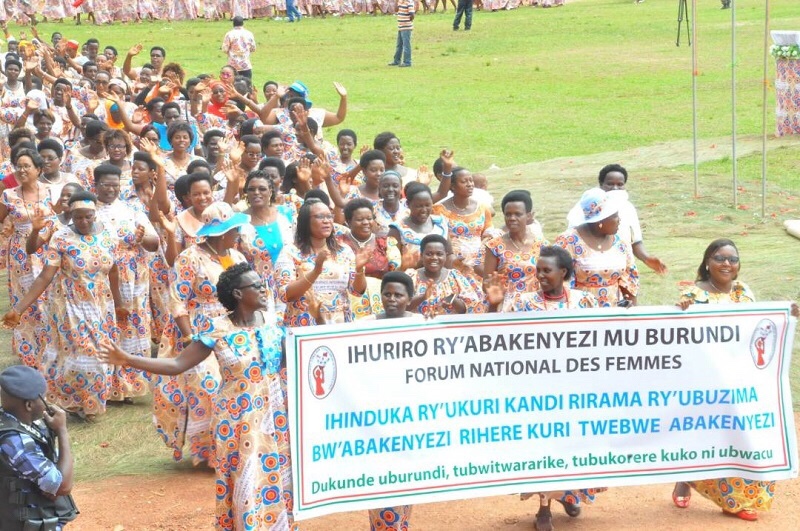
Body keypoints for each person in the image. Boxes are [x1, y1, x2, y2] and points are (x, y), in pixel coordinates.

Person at [99, 263, 293, 530]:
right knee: (245, 480)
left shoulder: (274, 323)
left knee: (273, 477)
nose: (264, 289)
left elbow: (293, 361)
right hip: (236, 421)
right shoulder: (218, 329)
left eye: (263, 284)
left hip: (273, 417)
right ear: (238, 294)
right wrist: (128, 359)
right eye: (257, 286)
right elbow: (177, 364)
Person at [671, 238, 800, 521]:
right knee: (707, 435)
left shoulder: (743, 292)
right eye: (719, 258)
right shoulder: (693, 295)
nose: (726, 263)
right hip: (706, 382)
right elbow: (676, 337)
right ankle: (687, 475)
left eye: (732, 259)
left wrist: (785, 316)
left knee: (743, 434)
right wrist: (678, 313)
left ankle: (739, 500)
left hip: (741, 381)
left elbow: (759, 327)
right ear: (707, 263)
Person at [486, 246, 601, 531]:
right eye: (537, 270)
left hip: (575, 391)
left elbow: (605, 335)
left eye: (547, 271)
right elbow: (497, 336)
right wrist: (493, 307)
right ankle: (544, 508)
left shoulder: (584, 301)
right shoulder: (524, 303)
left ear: (563, 272)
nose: (540, 275)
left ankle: (566, 494)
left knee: (572, 446)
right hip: (537, 392)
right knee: (543, 448)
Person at [3, 191, 127, 420]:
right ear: (71, 215)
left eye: (88, 216)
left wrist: (119, 304)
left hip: (102, 306)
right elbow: (45, 276)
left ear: (95, 213)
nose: (83, 222)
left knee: (98, 355)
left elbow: (114, 271)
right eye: (78, 217)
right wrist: (18, 309)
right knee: (86, 354)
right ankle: (82, 404)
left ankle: (87, 404)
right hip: (71, 305)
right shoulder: (61, 238)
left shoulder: (109, 234)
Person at [150, 201, 249, 465]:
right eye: (234, 229)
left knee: (232, 385)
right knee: (207, 387)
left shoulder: (237, 257)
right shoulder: (190, 258)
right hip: (200, 328)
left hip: (232, 329)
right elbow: (177, 301)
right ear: (221, 233)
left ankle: (230, 446)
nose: (238, 233)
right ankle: (207, 452)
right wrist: (188, 337)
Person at [0, 365, 79, 531]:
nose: (47, 403)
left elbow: (55, 468)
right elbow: (63, 486)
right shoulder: (15, 441)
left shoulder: (18, 421)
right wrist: (62, 431)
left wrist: (54, 480)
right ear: (29, 405)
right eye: (44, 398)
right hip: (22, 524)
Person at [0, 148, 55, 368]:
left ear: (38, 169)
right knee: (26, 301)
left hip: (48, 250)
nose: (22, 170)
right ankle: (29, 356)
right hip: (21, 255)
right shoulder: (9, 195)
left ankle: (50, 352)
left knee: (48, 299)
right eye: (18, 166)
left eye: (27, 166)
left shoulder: (51, 192)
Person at [275, 198, 367, 326]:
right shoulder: (290, 252)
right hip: (304, 324)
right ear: (306, 221)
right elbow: (286, 294)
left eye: (329, 216)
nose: (326, 221)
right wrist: (315, 271)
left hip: (339, 324)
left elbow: (356, 291)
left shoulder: (344, 251)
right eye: (320, 217)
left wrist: (359, 270)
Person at [567, 164, 667, 274]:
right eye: (610, 184)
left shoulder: (628, 208)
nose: (615, 188)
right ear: (601, 184)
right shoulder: (586, 208)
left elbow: (635, 241)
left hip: (622, 270)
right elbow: (572, 242)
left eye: (620, 185)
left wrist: (646, 258)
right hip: (590, 271)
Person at [555, 188, 639, 308]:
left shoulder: (621, 241)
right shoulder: (568, 241)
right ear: (600, 220)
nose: (619, 220)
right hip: (581, 310)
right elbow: (561, 282)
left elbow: (629, 278)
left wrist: (632, 308)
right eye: (615, 216)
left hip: (615, 310)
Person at [483, 190, 548, 310]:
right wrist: (496, 287)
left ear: (528, 216)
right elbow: (486, 284)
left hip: (534, 305)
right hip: (505, 306)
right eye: (508, 214)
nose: (512, 218)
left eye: (518, 214)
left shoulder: (541, 245)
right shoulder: (494, 246)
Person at [432, 166, 492, 280]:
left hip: (478, 265)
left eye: (471, 180)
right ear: (452, 186)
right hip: (453, 265)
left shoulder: (482, 208)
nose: (470, 184)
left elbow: (488, 233)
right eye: (464, 182)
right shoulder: (438, 211)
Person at [408, 234, 485, 316]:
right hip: (418, 323)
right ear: (421, 256)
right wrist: (422, 297)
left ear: (446, 255)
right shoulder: (411, 276)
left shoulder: (455, 276)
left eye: (439, 254)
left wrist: (453, 300)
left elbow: (472, 307)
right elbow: (401, 306)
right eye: (429, 254)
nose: (434, 257)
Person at [388, 0, 414, 68]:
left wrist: (407, 22)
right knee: (399, 45)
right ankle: (396, 60)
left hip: (406, 27)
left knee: (406, 45)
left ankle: (407, 62)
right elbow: (396, 10)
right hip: (400, 27)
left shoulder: (409, 2)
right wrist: (396, 2)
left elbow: (412, 14)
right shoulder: (400, 1)